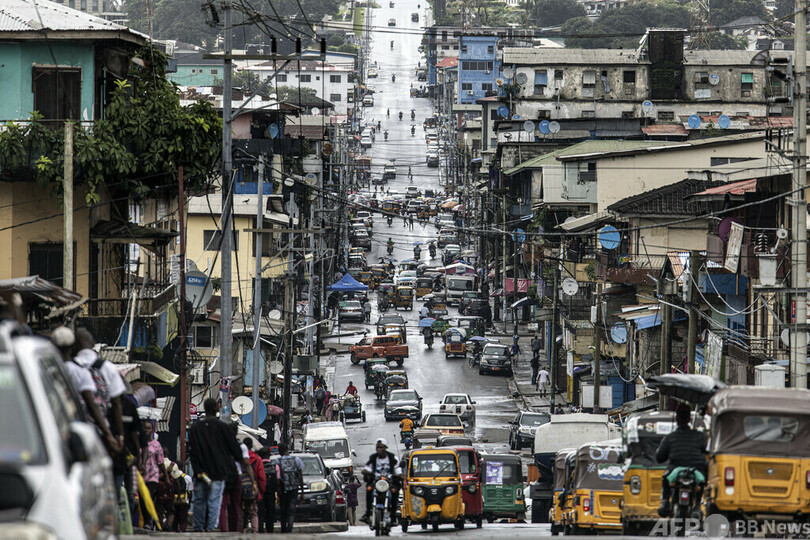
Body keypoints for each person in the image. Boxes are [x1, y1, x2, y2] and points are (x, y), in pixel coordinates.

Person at [188, 398, 255, 532]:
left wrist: (197, 469)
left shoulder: (195, 428)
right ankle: (210, 528)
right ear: (216, 409)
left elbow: (192, 450)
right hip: (218, 472)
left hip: (200, 472)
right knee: (214, 501)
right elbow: (235, 450)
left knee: (199, 500)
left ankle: (198, 527)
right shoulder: (223, 428)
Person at [51, 327, 121, 455]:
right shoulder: (80, 372)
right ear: (72, 347)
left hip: (54, 431)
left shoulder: (47, 371)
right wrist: (108, 434)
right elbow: (92, 405)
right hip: (82, 432)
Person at [655, 403, 707, 517]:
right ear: (689, 419)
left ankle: (664, 502)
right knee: (702, 481)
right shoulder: (700, 436)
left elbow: (659, 457)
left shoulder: (670, 437)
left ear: (676, 418)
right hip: (696, 471)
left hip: (675, 469)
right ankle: (698, 505)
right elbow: (706, 452)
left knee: (665, 478)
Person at [360, 438, 402, 523]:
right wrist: (366, 472)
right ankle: (368, 513)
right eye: (378, 447)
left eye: (381, 447)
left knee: (395, 491)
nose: (379, 449)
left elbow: (397, 469)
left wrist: (400, 475)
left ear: (385, 448)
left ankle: (393, 515)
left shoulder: (392, 458)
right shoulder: (373, 458)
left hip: (389, 482)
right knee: (369, 489)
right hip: (376, 482)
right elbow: (368, 468)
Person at [141, 420, 167, 527]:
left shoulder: (156, 445)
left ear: (152, 430)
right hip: (141, 476)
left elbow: (160, 462)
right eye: (145, 428)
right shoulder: (138, 443)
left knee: (149, 497)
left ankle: (148, 522)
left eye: (148, 428)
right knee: (142, 499)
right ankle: (147, 520)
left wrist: (166, 477)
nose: (146, 430)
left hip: (152, 475)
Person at [276, 443, 304, 533]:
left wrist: (277, 491)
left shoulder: (278, 461)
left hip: (283, 489)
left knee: (283, 510)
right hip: (294, 488)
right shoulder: (296, 460)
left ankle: (283, 529)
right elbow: (300, 476)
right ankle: (290, 529)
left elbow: (277, 478)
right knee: (291, 510)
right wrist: (302, 491)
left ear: (280, 451)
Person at [242, 439, 267, 532]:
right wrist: (261, 491)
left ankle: (242, 530)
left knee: (242, 511)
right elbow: (262, 477)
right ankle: (255, 532)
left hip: (241, 489)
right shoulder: (257, 458)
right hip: (253, 489)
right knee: (253, 512)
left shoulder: (239, 457)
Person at [257, 447, 277, 533]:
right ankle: (270, 530)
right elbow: (277, 480)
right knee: (270, 511)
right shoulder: (274, 466)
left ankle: (260, 529)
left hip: (260, 492)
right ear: (269, 455)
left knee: (260, 512)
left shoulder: (258, 465)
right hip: (271, 492)